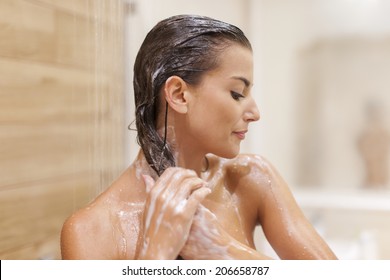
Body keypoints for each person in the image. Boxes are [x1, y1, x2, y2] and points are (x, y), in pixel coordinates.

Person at [60, 14, 337, 260]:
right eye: (237, 93)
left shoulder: (252, 180)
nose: (255, 113)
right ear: (179, 94)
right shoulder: (91, 231)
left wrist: (223, 249)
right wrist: (155, 256)